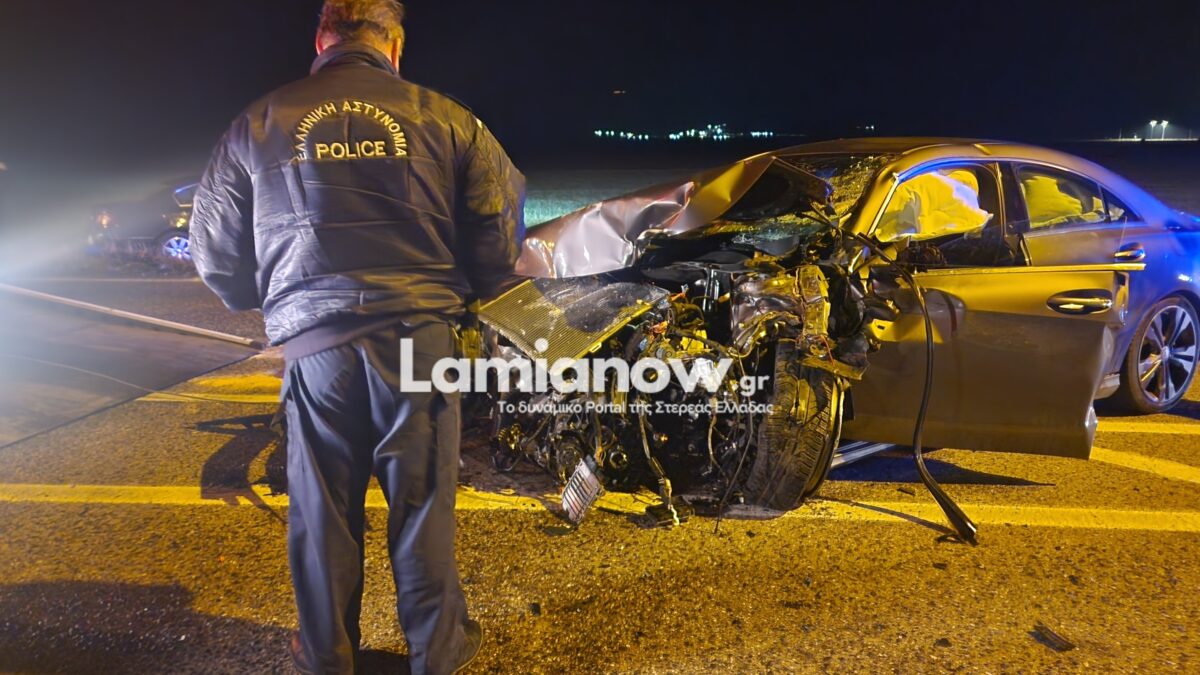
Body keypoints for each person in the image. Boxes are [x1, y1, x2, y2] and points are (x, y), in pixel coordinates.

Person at [188, 1, 525, 672]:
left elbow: (215, 250)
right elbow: (497, 227)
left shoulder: (257, 123)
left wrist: (272, 301)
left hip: (317, 346)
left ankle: (327, 655)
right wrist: (472, 291)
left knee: (322, 510)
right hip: (420, 341)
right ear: (394, 47)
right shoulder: (448, 117)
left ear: (322, 40)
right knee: (423, 506)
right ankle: (438, 652)